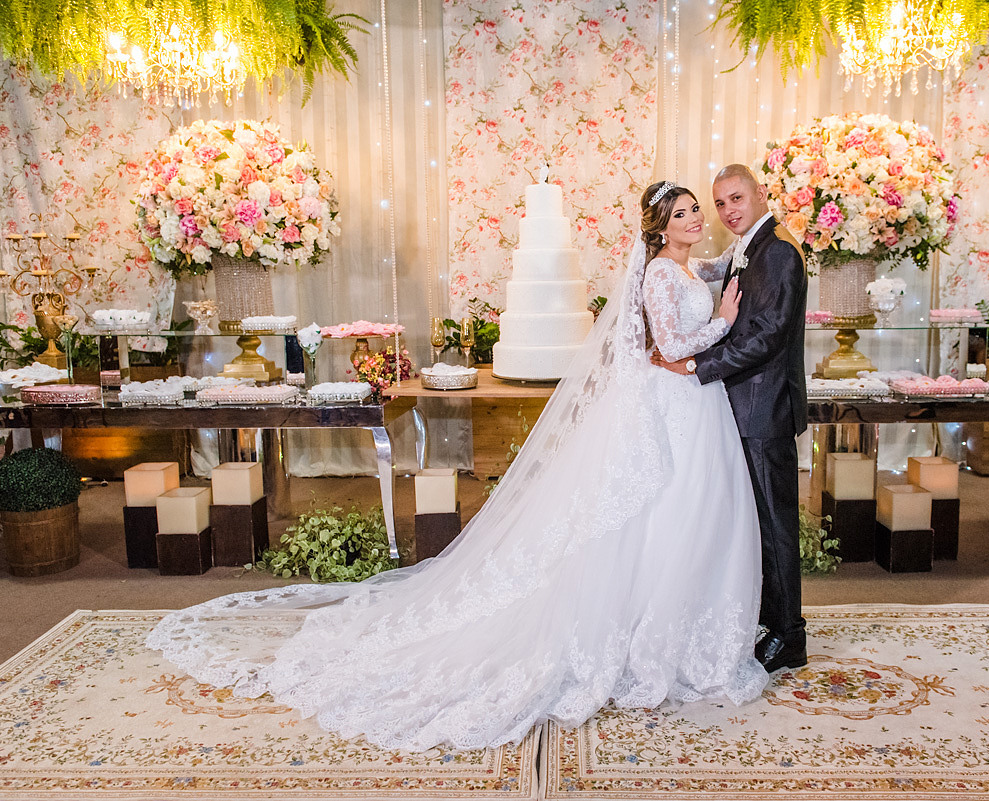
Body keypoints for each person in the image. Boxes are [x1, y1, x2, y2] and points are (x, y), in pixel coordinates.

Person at [147, 180, 769, 752]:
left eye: (699, 210)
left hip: (692, 403)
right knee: (662, 513)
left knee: (684, 517)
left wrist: (740, 253)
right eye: (684, 212)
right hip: (677, 396)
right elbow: (671, 344)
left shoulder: (685, 267)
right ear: (660, 227)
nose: (697, 219)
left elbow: (712, 268)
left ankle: (675, 624)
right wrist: (723, 320)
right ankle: (644, 632)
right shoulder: (662, 276)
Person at [653, 163, 809, 673]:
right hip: (735, 408)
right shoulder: (747, 249)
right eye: (719, 204)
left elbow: (766, 336)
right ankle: (767, 621)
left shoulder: (779, 253)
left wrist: (698, 365)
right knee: (754, 524)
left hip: (764, 409)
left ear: (761, 195)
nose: (727, 211)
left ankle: (791, 636)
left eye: (736, 199)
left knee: (775, 524)